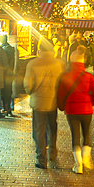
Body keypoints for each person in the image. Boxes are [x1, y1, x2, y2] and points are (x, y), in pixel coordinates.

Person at [58, 48, 94, 173]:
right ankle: (86, 155)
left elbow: (61, 95)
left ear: (71, 61)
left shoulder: (65, 76)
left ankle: (78, 165)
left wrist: (62, 107)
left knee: (75, 136)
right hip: (87, 110)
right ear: (83, 62)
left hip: (72, 111)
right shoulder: (89, 76)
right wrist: (89, 103)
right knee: (86, 134)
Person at [23, 39, 65, 169]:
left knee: (39, 130)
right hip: (53, 101)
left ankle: (41, 159)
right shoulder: (60, 64)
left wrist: (31, 92)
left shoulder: (33, 63)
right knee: (52, 127)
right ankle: (52, 153)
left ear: (40, 50)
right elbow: (63, 84)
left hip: (38, 102)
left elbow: (28, 85)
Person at [0, 33, 17, 117]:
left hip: (4, 73)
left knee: (4, 92)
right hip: (10, 72)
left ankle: (5, 109)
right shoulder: (11, 49)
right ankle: (9, 109)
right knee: (9, 91)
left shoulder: (2, 49)